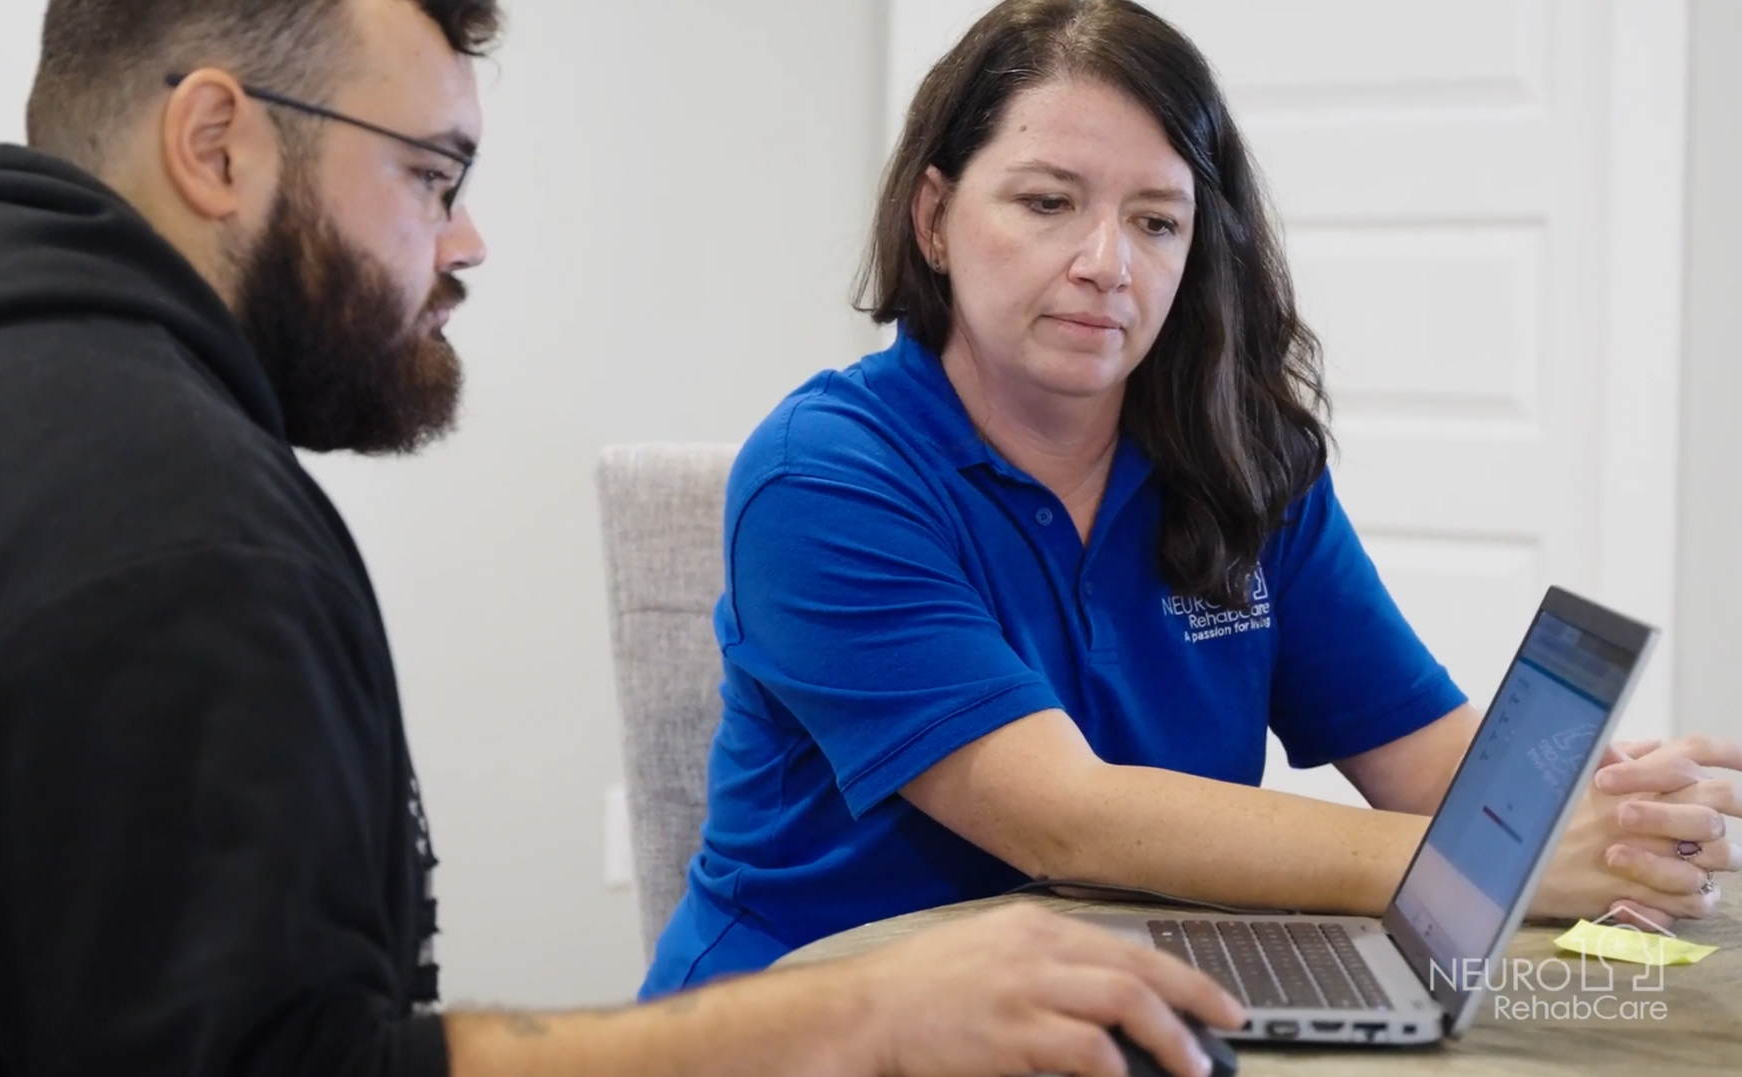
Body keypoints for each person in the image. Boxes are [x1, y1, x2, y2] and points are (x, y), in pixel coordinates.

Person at [0, 1, 1247, 1076]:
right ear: (215, 144)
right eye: (432, 176)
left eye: (1156, 220)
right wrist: (863, 1011)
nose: (465, 243)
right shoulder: (159, 528)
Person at [642, 0, 1742, 999]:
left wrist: (1612, 815)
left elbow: (1428, 764)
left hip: (1114, 1008)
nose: (1106, 262)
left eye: (1159, 221)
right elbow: (1063, 820)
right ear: (934, 216)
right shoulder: (823, 475)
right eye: (1046, 202)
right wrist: (1493, 865)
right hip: (809, 1022)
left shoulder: (1244, 465)